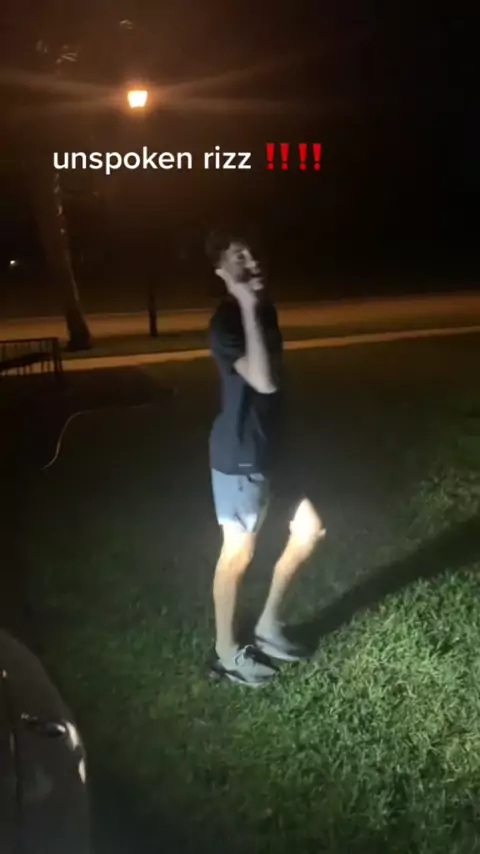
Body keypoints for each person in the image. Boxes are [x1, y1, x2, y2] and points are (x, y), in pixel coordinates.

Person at [207, 232, 326, 687]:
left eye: (253, 252)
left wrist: (254, 305)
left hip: (275, 448)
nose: (253, 260)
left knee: (309, 529)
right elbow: (263, 380)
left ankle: (268, 626)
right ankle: (226, 652)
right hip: (241, 455)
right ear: (221, 271)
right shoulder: (226, 323)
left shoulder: (263, 310)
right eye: (239, 256)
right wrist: (245, 302)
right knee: (238, 553)